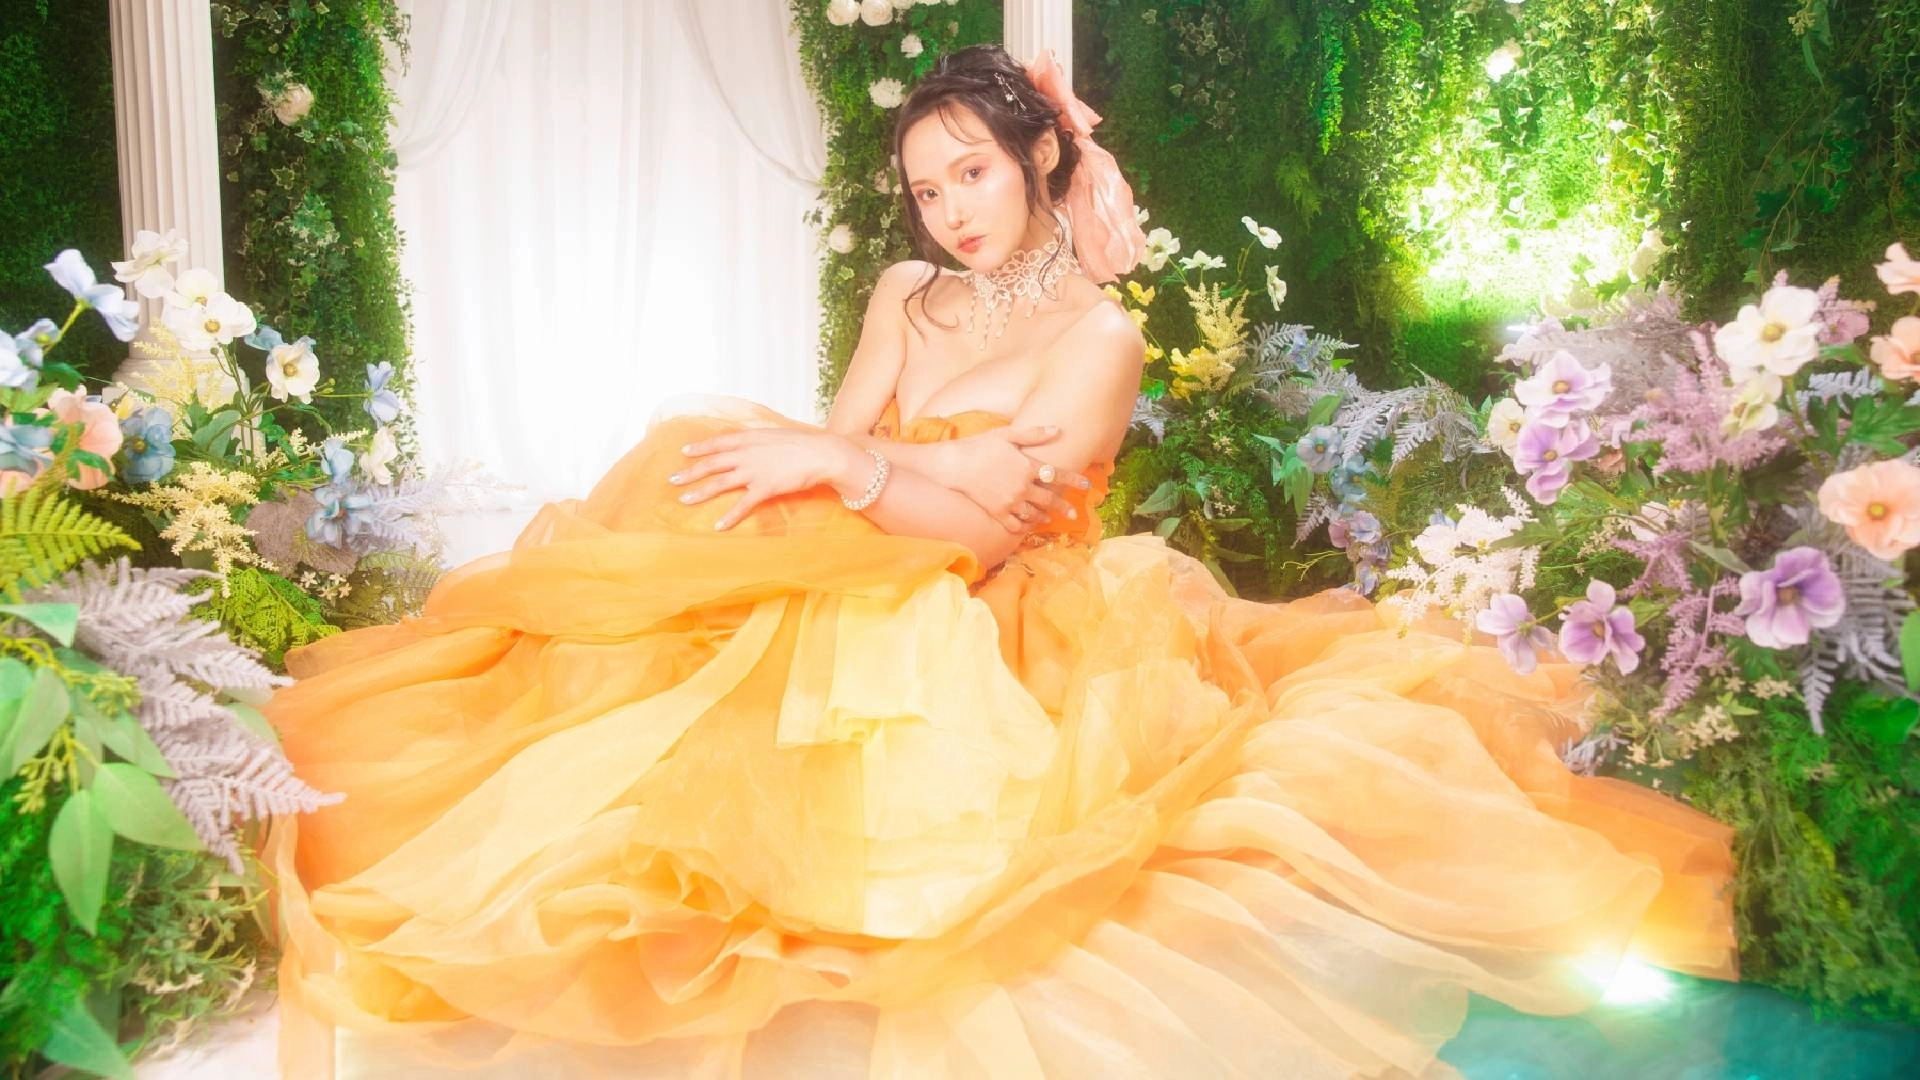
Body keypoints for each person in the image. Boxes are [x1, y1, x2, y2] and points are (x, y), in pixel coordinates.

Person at [262, 44, 1738, 1080]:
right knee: (690, 498)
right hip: (864, 556)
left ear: (1038, 156)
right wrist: (873, 465)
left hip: (997, 601)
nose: (951, 210)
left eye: (971, 171)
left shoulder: (1100, 337)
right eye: (927, 188)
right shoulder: (906, 292)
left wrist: (876, 473)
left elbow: (981, 534)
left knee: (860, 660)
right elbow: (846, 442)